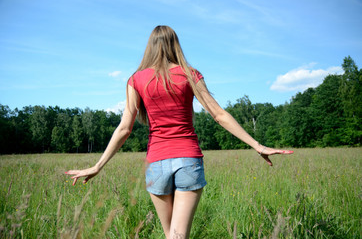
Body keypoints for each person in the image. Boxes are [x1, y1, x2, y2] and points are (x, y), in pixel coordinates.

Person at [65, 25, 293, 239]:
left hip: (157, 163)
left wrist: (98, 165)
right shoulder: (189, 74)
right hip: (188, 159)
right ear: (175, 45)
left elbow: (125, 128)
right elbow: (219, 114)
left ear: (150, 47)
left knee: (171, 235)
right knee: (178, 236)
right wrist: (258, 145)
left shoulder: (136, 79)